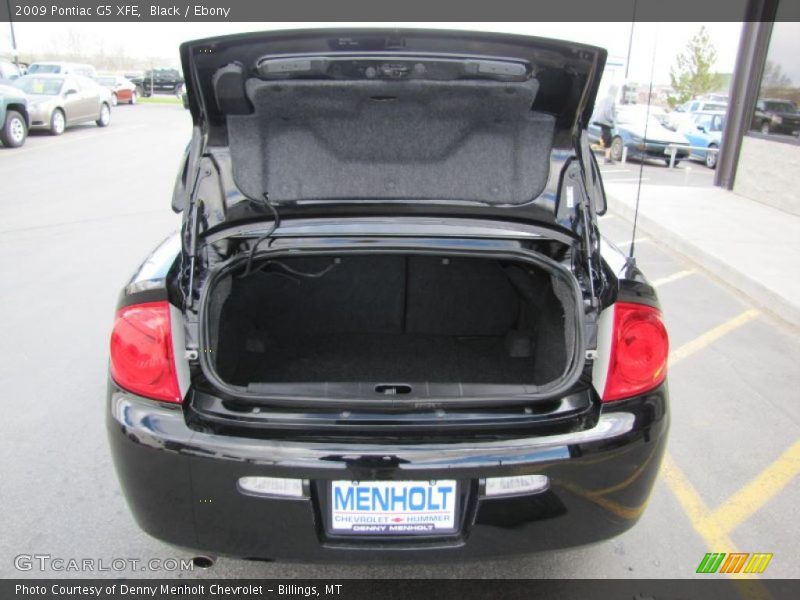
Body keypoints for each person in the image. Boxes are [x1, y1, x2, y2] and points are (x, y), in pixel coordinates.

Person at [594, 85, 618, 164]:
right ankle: (592, 149)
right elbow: (608, 111)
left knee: (609, 140)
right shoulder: (611, 99)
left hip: (602, 120)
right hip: (606, 121)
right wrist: (611, 119)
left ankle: (607, 158)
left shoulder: (605, 98)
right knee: (605, 139)